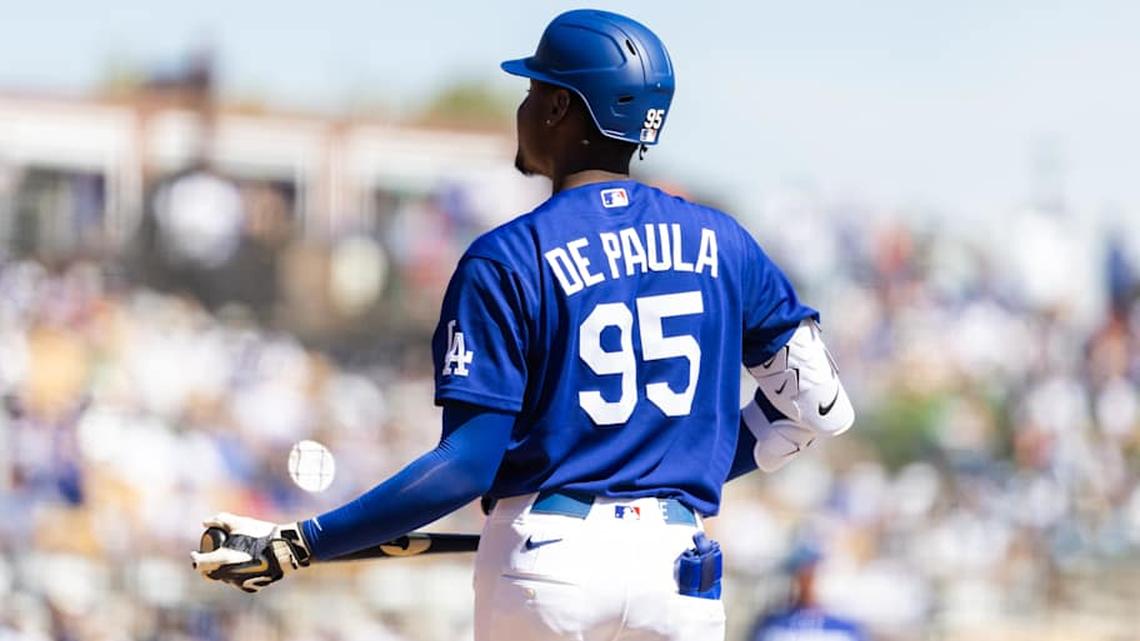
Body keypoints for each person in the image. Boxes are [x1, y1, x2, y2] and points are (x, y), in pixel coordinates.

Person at [191, 9, 855, 641]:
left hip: (549, 559)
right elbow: (819, 408)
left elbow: (466, 465)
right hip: (678, 568)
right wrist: (689, 467)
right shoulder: (727, 242)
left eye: (534, 89)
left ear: (561, 108)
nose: (524, 108)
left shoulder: (508, 256)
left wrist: (302, 540)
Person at [750, 545, 869, 641]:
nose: (807, 582)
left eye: (812, 575)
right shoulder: (773, 624)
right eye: (802, 575)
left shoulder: (845, 627)